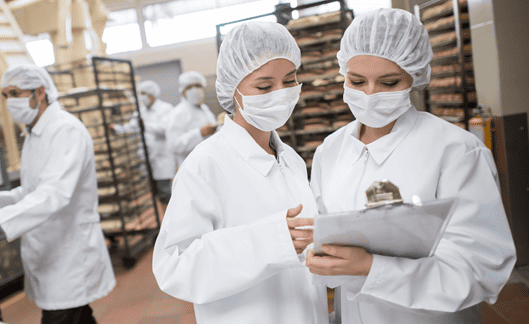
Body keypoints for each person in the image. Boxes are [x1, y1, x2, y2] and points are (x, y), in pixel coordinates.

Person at [305, 8, 516, 323]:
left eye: (389, 82)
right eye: (357, 80)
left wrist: (372, 268)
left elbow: (480, 269)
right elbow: (320, 234)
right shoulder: (331, 151)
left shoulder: (455, 151)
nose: (370, 94)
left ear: (414, 77)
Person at [153, 21, 328, 324]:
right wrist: (271, 240)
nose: (281, 94)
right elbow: (176, 267)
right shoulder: (204, 166)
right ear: (232, 90)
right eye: (264, 86)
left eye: (290, 81)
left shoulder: (291, 160)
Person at [0, 64, 116, 324]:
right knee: (78, 317)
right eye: (5, 95)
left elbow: (54, 193)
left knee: (64, 315)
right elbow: (34, 190)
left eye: (15, 93)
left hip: (69, 254)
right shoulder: (34, 133)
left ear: (40, 93)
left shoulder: (66, 130)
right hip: (51, 254)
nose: (9, 101)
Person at [109, 80, 175, 205]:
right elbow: (132, 126)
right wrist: (116, 129)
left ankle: (172, 220)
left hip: (162, 159)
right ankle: (162, 220)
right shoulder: (141, 112)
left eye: (144, 93)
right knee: (156, 196)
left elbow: (165, 129)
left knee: (166, 194)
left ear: (152, 95)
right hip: (148, 159)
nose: (142, 97)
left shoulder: (166, 109)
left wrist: (145, 125)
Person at [165, 71, 217, 168]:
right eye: (190, 87)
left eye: (198, 86)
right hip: (192, 167)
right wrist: (199, 133)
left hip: (210, 163)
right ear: (183, 92)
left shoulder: (204, 109)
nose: (195, 90)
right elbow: (173, 145)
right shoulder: (178, 113)